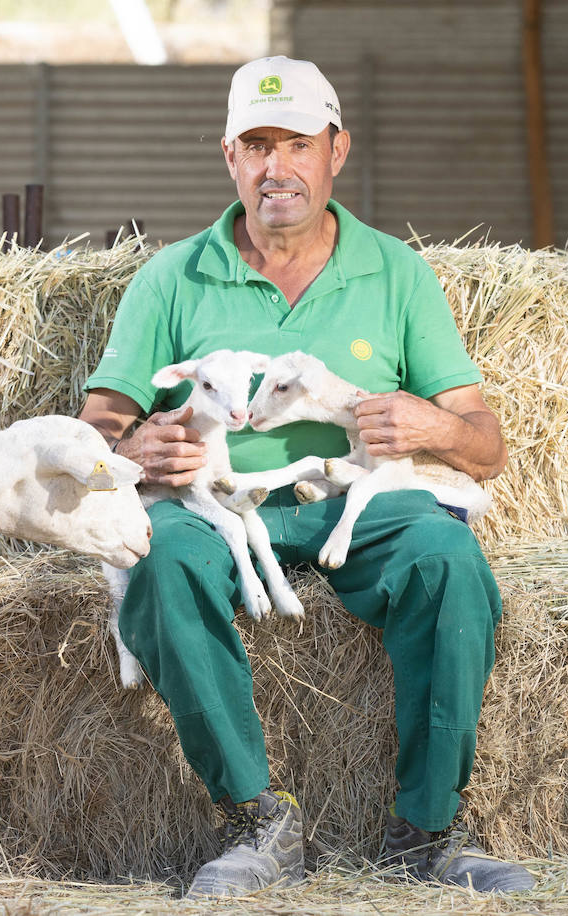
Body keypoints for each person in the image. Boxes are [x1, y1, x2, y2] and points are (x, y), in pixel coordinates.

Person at [78, 56, 535, 897]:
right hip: (213, 503)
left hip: (361, 503)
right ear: (229, 157)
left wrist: (429, 423)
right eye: (256, 144)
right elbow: (96, 426)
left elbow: (484, 444)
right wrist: (132, 447)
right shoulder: (171, 278)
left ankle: (428, 830)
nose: (275, 167)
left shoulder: (397, 273)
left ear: (337, 150)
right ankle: (256, 818)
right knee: (160, 560)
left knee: (450, 563)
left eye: (296, 143)